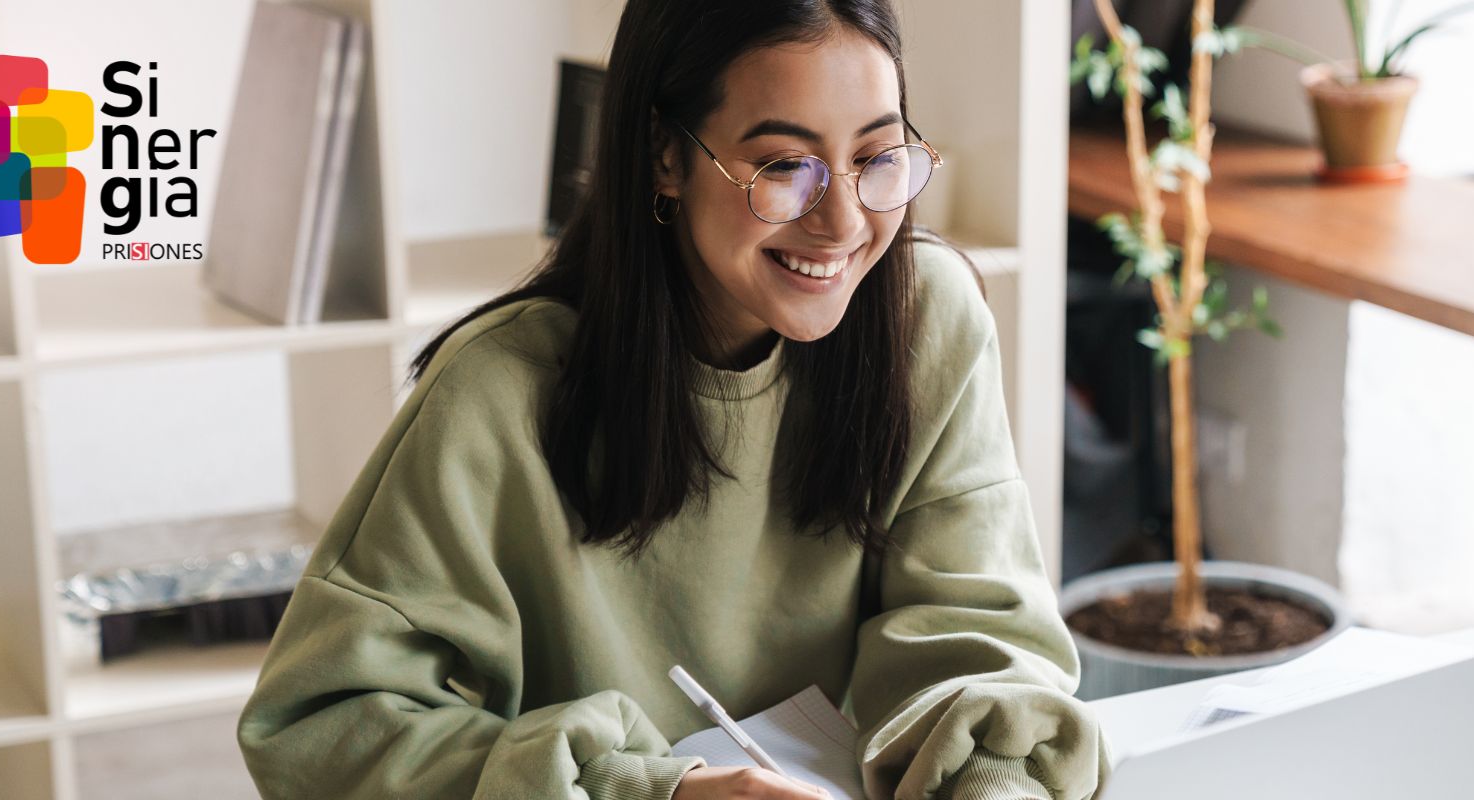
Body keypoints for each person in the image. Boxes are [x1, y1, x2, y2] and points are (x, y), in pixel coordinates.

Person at [236, 1, 1109, 797]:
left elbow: (978, 639)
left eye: (878, 158)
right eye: (785, 167)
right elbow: (317, 731)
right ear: (665, 156)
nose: (843, 222)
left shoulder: (929, 323)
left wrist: (997, 783)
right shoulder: (497, 394)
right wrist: (651, 791)